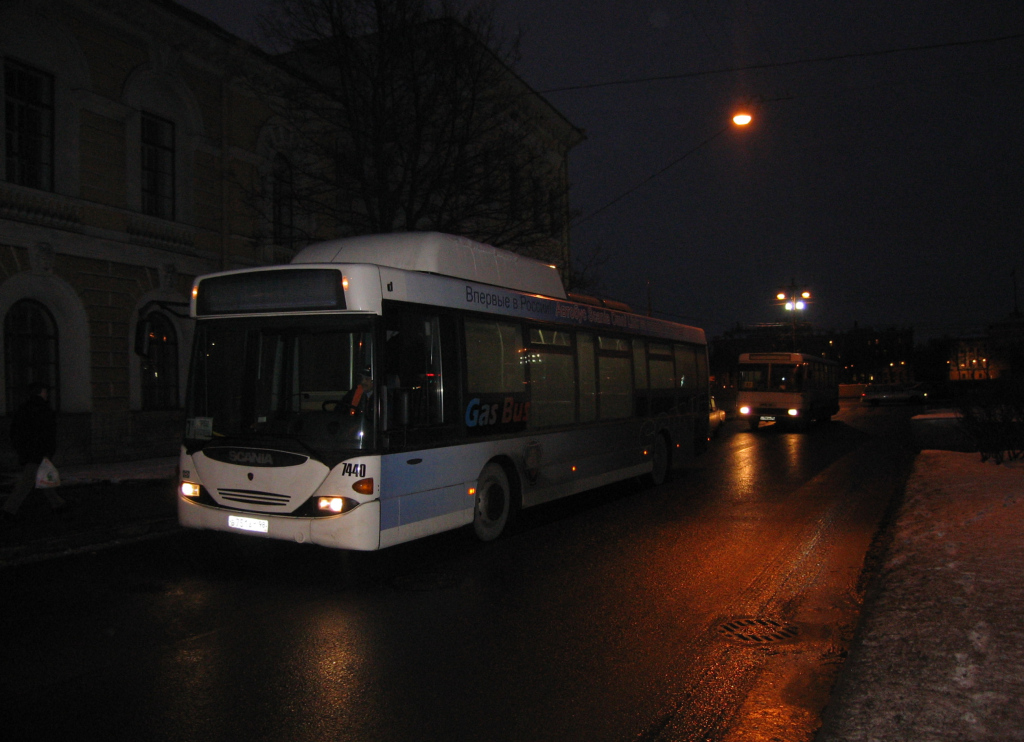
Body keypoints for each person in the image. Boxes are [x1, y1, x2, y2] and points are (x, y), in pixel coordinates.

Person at [3, 382, 66, 518]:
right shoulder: (43, 409)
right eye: (45, 391)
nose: (47, 394)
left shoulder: (23, 408)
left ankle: (58, 503)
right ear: (41, 392)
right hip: (38, 450)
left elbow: (15, 431)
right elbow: (48, 432)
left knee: (41, 476)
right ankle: (9, 509)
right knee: (28, 480)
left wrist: (20, 448)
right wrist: (48, 450)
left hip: (28, 449)